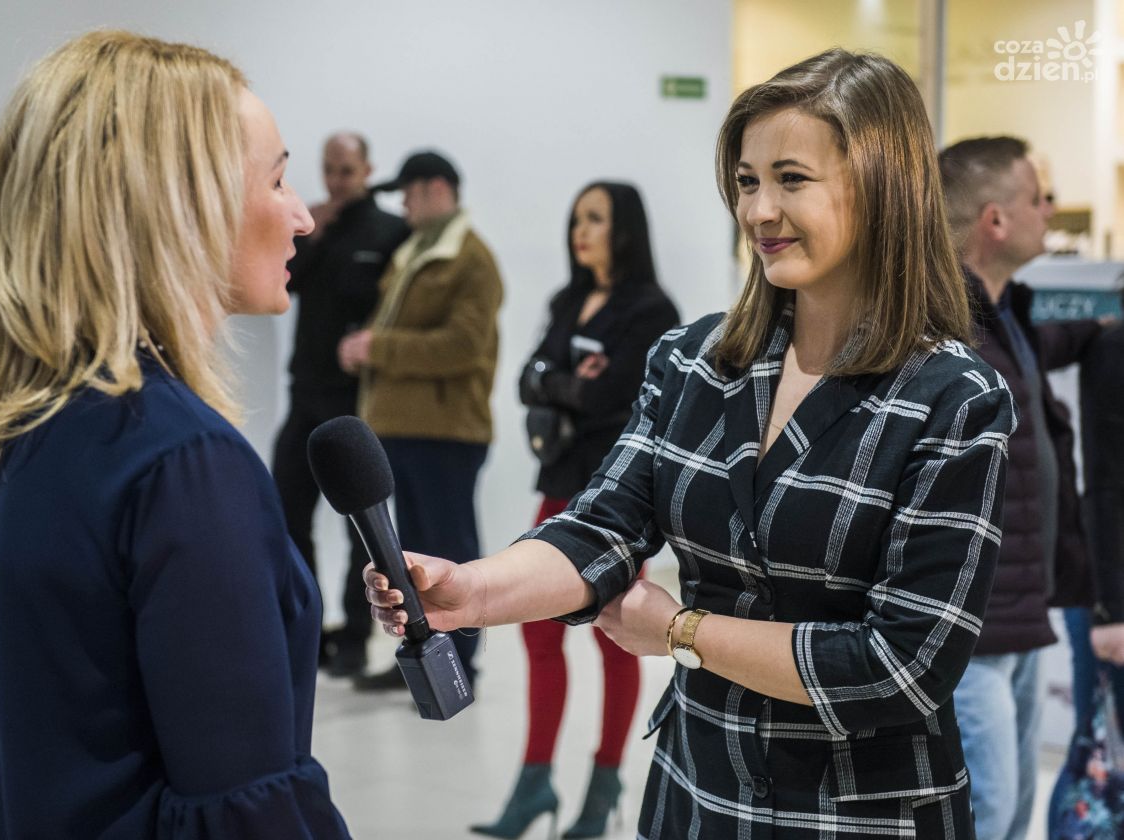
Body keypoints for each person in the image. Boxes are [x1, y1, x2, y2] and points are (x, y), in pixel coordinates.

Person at [367, 49, 1016, 838]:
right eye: (746, 181)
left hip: (859, 816)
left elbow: (903, 665)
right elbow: (601, 527)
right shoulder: (693, 361)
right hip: (699, 792)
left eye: (791, 179)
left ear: (884, 188)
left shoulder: (953, 398)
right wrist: (471, 592)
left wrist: (684, 634)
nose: (759, 210)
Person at [0, 31, 348, 839]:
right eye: (277, 179)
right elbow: (245, 814)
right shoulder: (184, 463)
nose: (301, 216)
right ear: (179, 204)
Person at [471, 182, 678, 839]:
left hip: (618, 497)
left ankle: (605, 782)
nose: (579, 231)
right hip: (559, 482)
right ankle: (534, 782)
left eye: (595, 219)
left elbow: (612, 395)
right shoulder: (567, 300)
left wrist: (560, 383)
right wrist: (565, 382)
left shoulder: (651, 310)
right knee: (538, 634)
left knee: (615, 635)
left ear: (625, 230)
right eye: (576, 219)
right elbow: (527, 379)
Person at [938, 136, 1103, 840]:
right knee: (989, 808)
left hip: (1022, 614)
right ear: (996, 221)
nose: (1051, 211)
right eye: (1039, 198)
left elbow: (1055, 345)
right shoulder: (943, 328)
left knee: (1011, 812)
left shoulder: (1005, 315)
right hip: (973, 629)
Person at [338, 149, 503, 691]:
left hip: (446, 434)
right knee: (412, 561)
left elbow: (462, 346)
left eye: (409, 193)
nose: (404, 205)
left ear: (436, 189)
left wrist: (378, 347)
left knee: (450, 553)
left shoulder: (471, 259)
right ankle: (423, 657)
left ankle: (462, 667)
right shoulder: (416, 252)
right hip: (404, 431)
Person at [270, 131, 409, 678]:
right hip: (303, 394)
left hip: (356, 406)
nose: (337, 181)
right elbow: (288, 286)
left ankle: (354, 638)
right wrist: (317, 229)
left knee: (364, 528)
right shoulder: (314, 226)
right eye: (330, 170)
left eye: (347, 171)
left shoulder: (391, 232)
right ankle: (303, 630)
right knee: (285, 514)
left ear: (368, 170)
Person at [1047, 317, 1124, 835]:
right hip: (1112, 596)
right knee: (1097, 755)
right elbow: (1105, 486)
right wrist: (1110, 611)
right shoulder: (1115, 349)